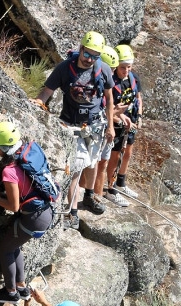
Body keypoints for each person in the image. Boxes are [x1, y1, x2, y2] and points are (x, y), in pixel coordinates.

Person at [31, 31, 115, 230]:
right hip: (70, 124)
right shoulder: (64, 68)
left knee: (92, 163)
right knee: (77, 167)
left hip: (95, 124)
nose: (89, 59)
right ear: (81, 48)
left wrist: (111, 125)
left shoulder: (103, 69)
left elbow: (110, 99)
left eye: (95, 56)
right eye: (87, 54)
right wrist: (38, 102)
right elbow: (47, 91)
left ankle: (89, 195)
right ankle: (72, 211)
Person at [0, 122, 54, 304]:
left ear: (2, 148)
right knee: (14, 247)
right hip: (44, 212)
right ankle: (21, 287)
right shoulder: (27, 154)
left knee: (5, 249)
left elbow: (13, 206)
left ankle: (10, 292)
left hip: (33, 218)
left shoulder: (10, 171)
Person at [105, 44, 143, 206]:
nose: (125, 70)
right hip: (117, 123)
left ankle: (121, 182)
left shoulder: (133, 78)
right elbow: (106, 107)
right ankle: (110, 188)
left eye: (128, 67)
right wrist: (118, 120)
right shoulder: (111, 82)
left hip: (131, 122)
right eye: (122, 67)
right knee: (115, 155)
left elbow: (138, 98)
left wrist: (139, 116)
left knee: (127, 153)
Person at [94, 45, 128, 197]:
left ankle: (98, 196)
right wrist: (116, 113)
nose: (113, 73)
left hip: (107, 130)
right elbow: (96, 113)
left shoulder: (107, 84)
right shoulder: (92, 85)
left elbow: (107, 107)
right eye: (112, 69)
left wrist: (118, 114)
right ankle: (91, 195)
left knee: (102, 164)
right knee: (94, 165)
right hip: (96, 130)